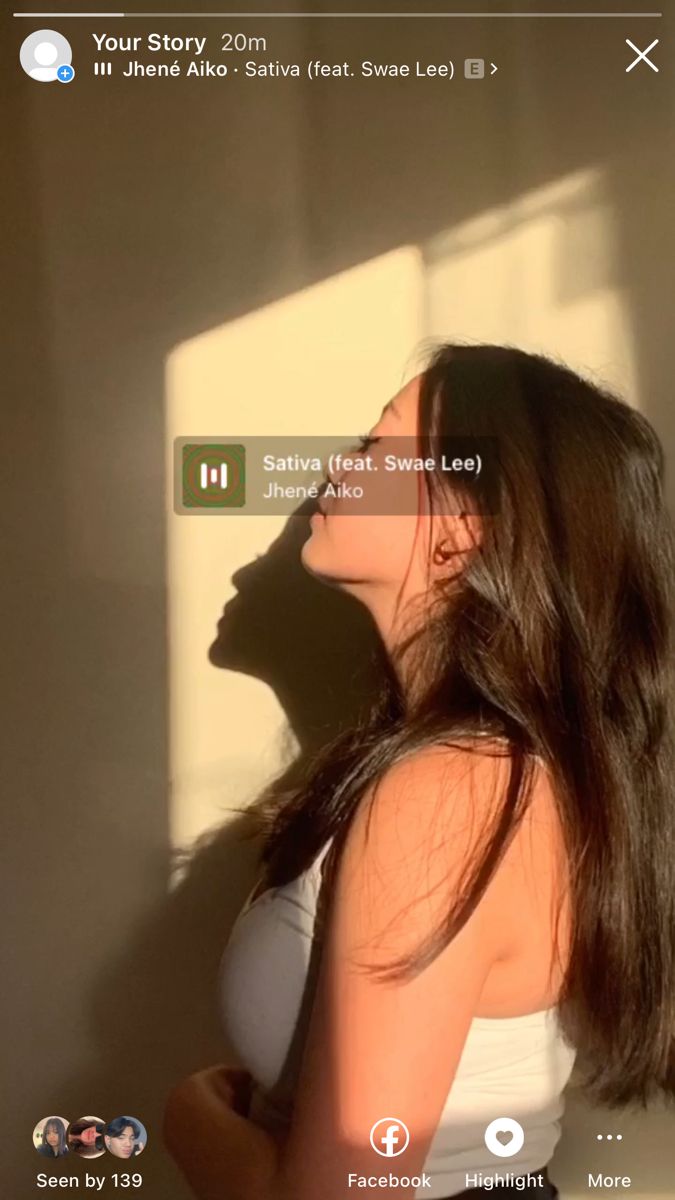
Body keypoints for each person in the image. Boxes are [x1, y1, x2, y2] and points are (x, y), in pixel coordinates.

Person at [164, 344, 675, 1200]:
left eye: (373, 448)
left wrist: (187, 1116)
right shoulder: (476, 771)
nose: (335, 466)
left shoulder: (453, 792)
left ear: (465, 528)